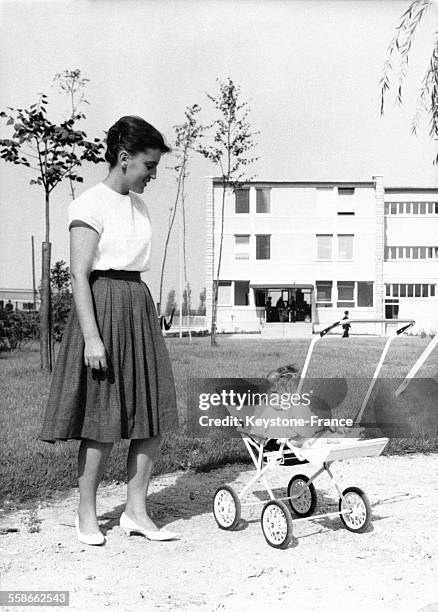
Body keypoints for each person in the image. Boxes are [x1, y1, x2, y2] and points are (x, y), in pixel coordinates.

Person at [39, 116, 179, 545]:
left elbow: (134, 265)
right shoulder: (88, 205)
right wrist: (93, 337)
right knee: (101, 418)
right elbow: (79, 275)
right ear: (123, 158)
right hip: (101, 307)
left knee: (151, 414)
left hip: (137, 304)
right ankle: (87, 512)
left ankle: (136, 511)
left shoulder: (139, 204)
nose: (153, 174)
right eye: (148, 165)